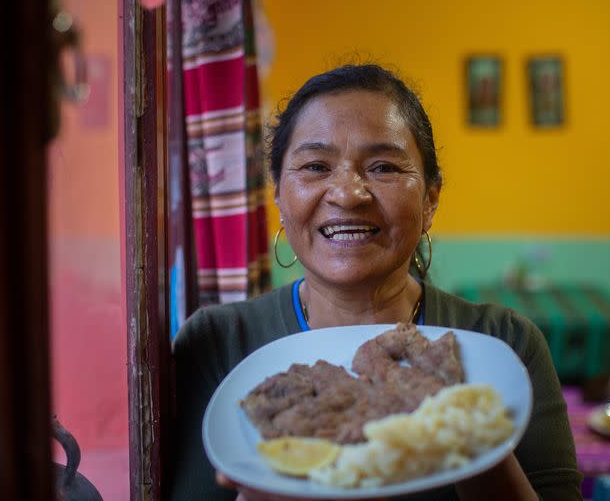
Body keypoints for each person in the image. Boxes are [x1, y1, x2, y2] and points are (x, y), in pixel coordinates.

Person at [169, 64, 583, 500]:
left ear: (430, 199)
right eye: (315, 166)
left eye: (384, 167)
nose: (348, 194)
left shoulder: (504, 345)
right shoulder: (218, 344)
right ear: (278, 194)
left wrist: (470, 438)